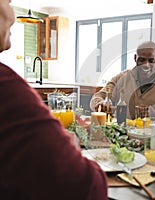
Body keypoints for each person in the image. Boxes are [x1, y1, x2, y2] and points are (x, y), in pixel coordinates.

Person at [0, 1, 108, 199]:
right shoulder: (7, 88)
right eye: (7, 1)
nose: (13, 15)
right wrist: (71, 146)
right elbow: (85, 186)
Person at [90, 41, 155, 120]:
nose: (146, 65)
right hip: (120, 134)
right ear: (135, 58)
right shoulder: (121, 78)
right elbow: (98, 97)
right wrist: (100, 104)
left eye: (151, 60)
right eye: (141, 60)